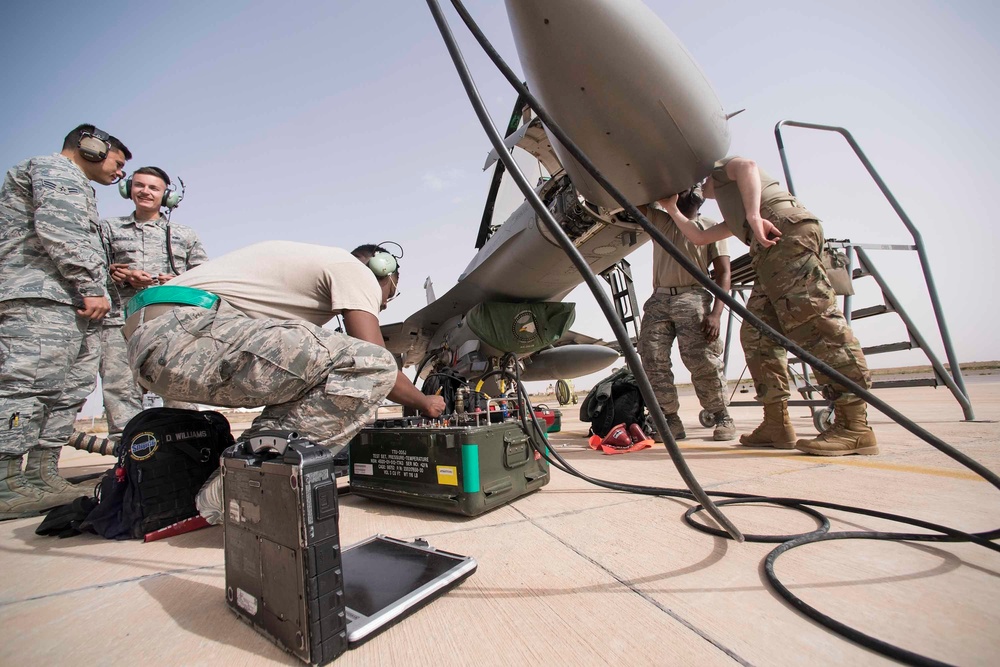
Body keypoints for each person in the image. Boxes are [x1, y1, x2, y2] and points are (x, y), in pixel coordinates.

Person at [122, 241, 445, 449]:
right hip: (184, 335)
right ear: (383, 271)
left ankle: (249, 466)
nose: (384, 304)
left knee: (320, 367)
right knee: (372, 362)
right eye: (390, 293)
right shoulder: (354, 270)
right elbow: (374, 357)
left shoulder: (305, 267)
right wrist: (424, 403)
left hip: (158, 345)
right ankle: (255, 478)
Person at [658, 156, 877, 456]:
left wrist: (752, 217)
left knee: (817, 325)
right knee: (757, 336)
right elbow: (698, 236)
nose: (698, 191)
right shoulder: (731, 209)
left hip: (785, 235)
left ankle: (855, 426)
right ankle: (777, 423)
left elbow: (747, 166)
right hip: (769, 253)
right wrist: (670, 208)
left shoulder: (720, 170)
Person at [0, 123, 131, 519]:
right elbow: (62, 231)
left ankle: (41, 475)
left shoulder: (79, 185)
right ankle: (6, 483)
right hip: (43, 297)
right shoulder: (56, 171)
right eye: (118, 161)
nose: (120, 172)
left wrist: (105, 278)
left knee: (67, 391)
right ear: (90, 147)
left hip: (72, 301)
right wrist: (91, 284)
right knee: (27, 386)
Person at [98, 166, 208, 438]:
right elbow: (88, 268)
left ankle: (189, 450)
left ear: (166, 195)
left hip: (172, 323)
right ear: (128, 190)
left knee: (179, 386)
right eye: (139, 185)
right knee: (120, 388)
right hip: (120, 322)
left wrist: (179, 280)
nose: (145, 192)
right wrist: (116, 273)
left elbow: (205, 276)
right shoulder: (107, 229)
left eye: (153, 188)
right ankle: (127, 458)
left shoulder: (184, 234)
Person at [638, 186, 735, 441]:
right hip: (659, 298)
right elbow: (633, 201)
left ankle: (721, 415)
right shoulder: (661, 219)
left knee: (702, 358)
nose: (694, 190)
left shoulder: (710, 226)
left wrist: (716, 313)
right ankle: (669, 420)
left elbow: (724, 273)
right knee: (652, 358)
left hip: (693, 295)